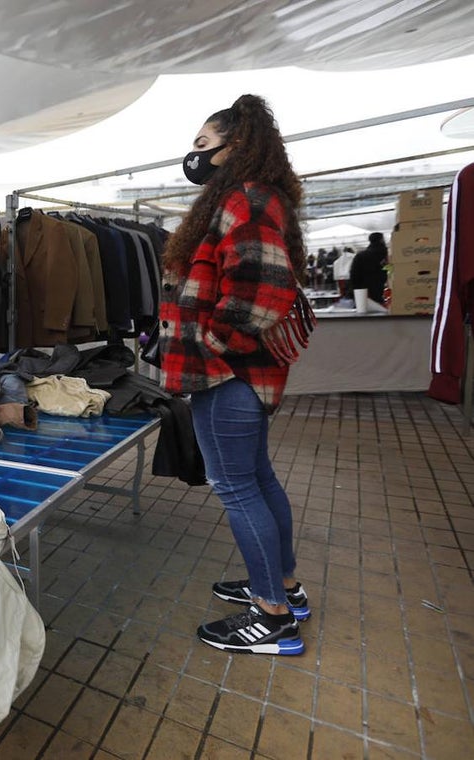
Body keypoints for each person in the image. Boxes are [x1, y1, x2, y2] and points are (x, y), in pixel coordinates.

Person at [159, 94, 310, 656]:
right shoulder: (250, 199)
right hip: (236, 373)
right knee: (257, 479)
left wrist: (215, 344)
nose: (194, 156)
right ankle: (284, 587)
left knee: (237, 486)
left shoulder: (246, 200)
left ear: (236, 145)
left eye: (203, 145)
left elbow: (259, 290)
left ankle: (272, 615)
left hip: (225, 373)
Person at [350, 232, 388, 305]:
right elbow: (390, 269)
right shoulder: (387, 254)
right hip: (384, 288)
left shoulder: (361, 255)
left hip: (364, 290)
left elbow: (354, 274)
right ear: (381, 240)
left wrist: (355, 289)